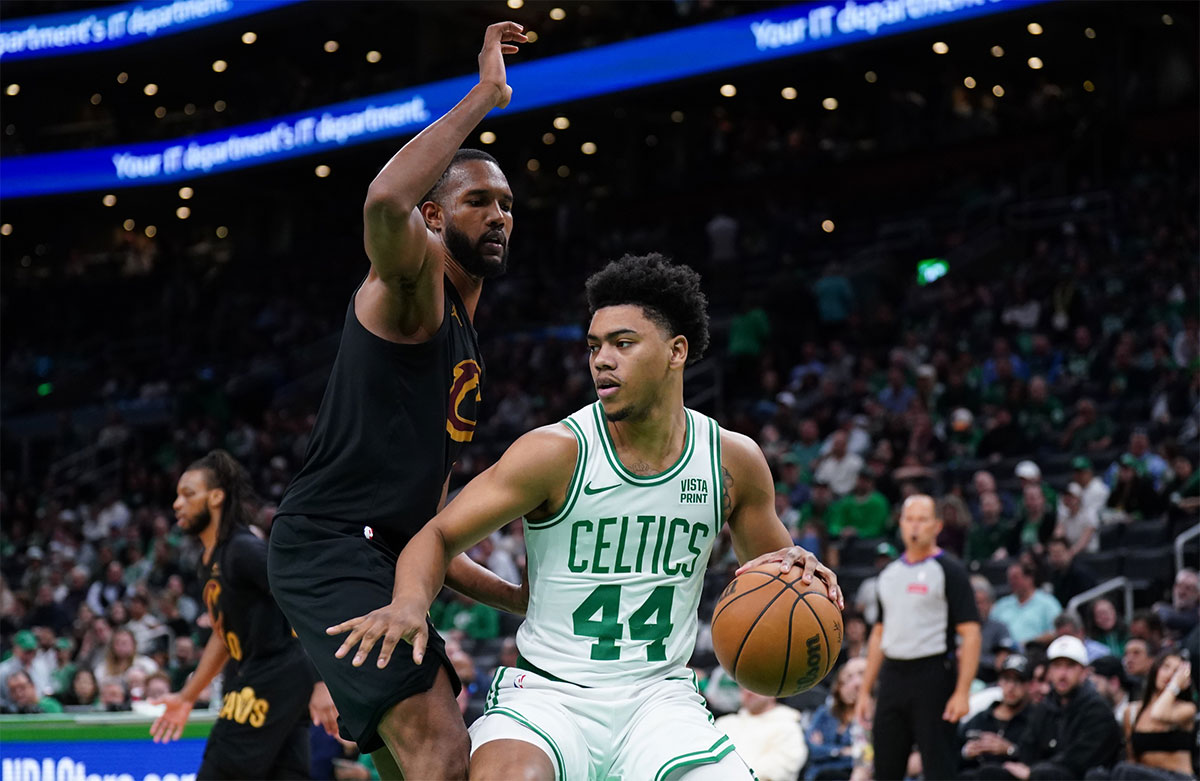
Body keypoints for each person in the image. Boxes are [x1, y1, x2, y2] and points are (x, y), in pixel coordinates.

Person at [327, 254, 841, 780]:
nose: (601, 360)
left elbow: (778, 574)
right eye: (594, 346)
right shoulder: (555, 451)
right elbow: (436, 535)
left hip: (658, 701)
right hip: (550, 695)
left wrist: (800, 567)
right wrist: (413, 602)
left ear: (676, 351)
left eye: (622, 343)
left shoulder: (732, 461)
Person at [266, 23, 531, 779]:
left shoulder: (467, 346)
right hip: (330, 546)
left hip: (380, 554)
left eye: (508, 203)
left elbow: (433, 532)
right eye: (478, 200)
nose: (500, 215)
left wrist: (516, 596)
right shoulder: (417, 287)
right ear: (437, 218)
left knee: (413, 763)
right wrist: (485, 97)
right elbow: (386, 198)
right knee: (444, 752)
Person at [150, 450, 338, 780]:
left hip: (275, 671)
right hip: (272, 676)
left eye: (188, 494)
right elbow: (223, 638)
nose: (177, 504)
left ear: (216, 497)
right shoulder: (209, 560)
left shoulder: (243, 549)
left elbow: (301, 601)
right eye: (177, 495)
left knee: (219, 769)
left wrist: (322, 681)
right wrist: (186, 697)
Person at [855, 495, 982, 781]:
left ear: (937, 525)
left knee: (939, 767)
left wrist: (963, 691)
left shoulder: (950, 570)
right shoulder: (888, 574)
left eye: (922, 519)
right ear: (900, 524)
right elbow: (878, 633)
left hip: (933, 674)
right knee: (886, 766)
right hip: (892, 677)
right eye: (909, 519)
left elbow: (971, 632)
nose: (915, 526)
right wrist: (865, 690)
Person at [995, 636, 1122, 780]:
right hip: (1041, 775)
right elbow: (1028, 749)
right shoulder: (1045, 707)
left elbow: (1079, 762)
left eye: (1070, 666)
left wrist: (1035, 773)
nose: (1062, 674)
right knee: (991, 773)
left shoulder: (1097, 710)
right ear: (1049, 672)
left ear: (1084, 672)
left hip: (1077, 777)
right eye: (1057, 666)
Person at [1095, 651, 1195, 780]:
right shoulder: (1132, 712)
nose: (1170, 674)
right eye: (1166, 667)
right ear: (1155, 670)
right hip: (1143, 776)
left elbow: (1158, 713)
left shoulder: (1186, 709)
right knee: (1096, 775)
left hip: (1179, 778)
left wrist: (1174, 686)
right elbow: (1132, 758)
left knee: (1124, 770)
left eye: (1177, 671)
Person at [959, 655, 1035, 779]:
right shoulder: (981, 718)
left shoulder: (1035, 720)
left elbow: (1043, 759)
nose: (1011, 687)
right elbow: (951, 754)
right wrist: (966, 752)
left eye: (1018, 681)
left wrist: (1011, 750)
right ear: (999, 681)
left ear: (1030, 685)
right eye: (1006, 679)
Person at [715, 686, 807, 781]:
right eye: (743, 687)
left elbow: (775, 771)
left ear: (773, 692)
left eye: (754, 686)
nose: (748, 692)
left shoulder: (789, 728)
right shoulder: (724, 723)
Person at [806, 658, 867, 780]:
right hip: (818, 775)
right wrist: (843, 751)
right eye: (847, 679)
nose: (853, 684)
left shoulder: (869, 717)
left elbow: (866, 756)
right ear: (838, 687)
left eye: (861, 675)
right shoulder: (824, 714)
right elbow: (813, 749)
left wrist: (827, 749)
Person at [991, 561, 1062, 647]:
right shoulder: (1002, 605)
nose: (1012, 582)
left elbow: (1055, 632)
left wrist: (1027, 644)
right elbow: (991, 629)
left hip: (1035, 652)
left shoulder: (1048, 603)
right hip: (1003, 652)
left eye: (1015, 578)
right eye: (1010, 579)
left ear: (1029, 578)